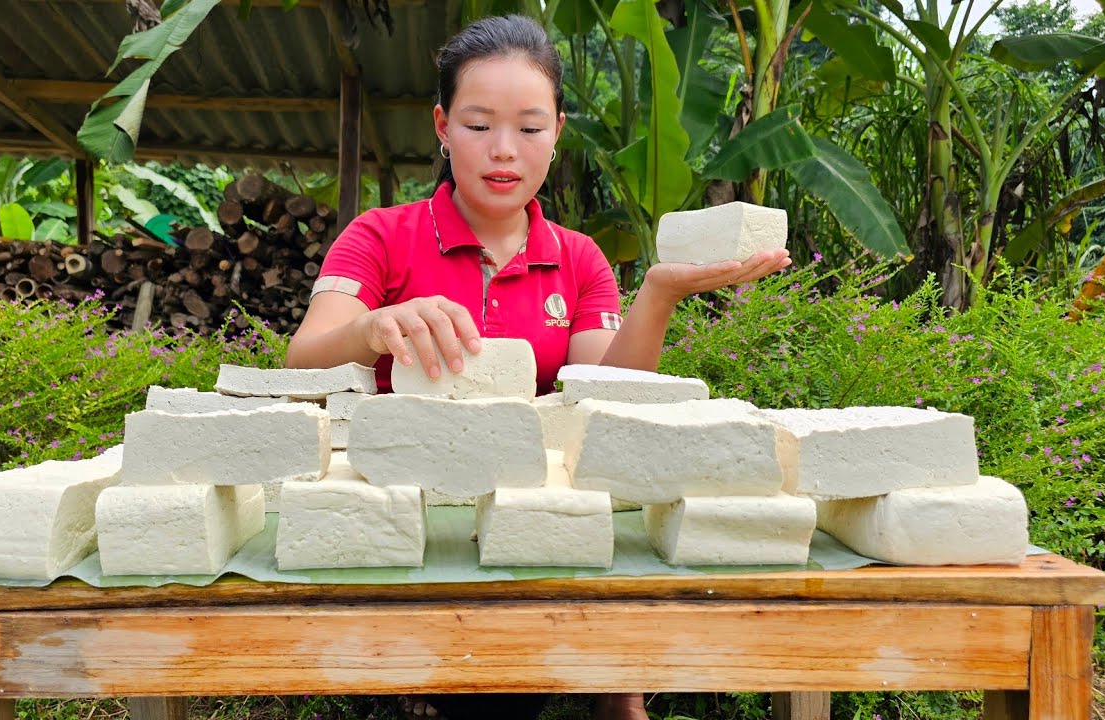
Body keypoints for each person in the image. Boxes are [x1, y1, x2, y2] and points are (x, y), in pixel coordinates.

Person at [285, 14, 790, 720]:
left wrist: (658, 293)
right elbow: (305, 356)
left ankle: (612, 687)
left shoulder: (579, 258)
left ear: (557, 131)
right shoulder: (380, 236)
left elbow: (607, 396)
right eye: (478, 124)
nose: (503, 150)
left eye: (529, 127)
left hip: (532, 523)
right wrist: (372, 327)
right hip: (406, 521)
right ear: (442, 126)